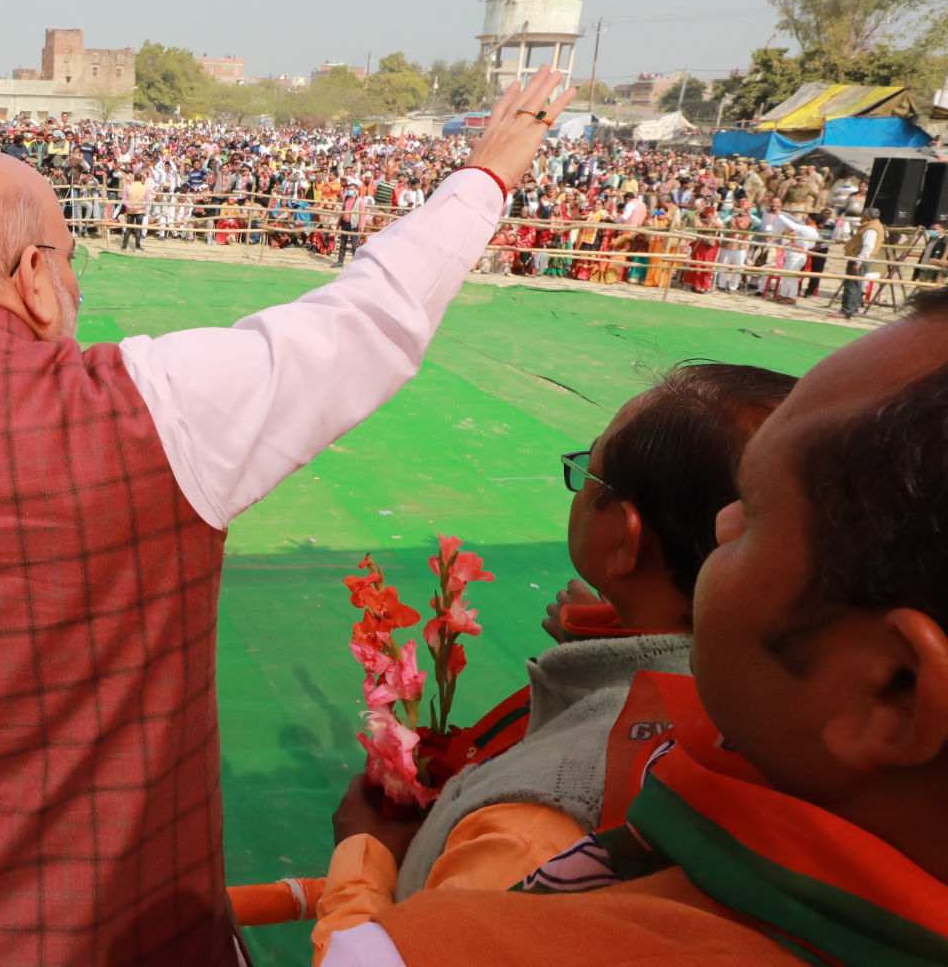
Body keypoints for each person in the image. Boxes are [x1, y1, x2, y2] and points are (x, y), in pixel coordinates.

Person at [0, 68, 574, 964]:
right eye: (70, 260)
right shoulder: (149, 408)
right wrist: (484, 175)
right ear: (33, 275)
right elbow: (367, 321)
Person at [317, 290, 948, 967]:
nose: (721, 527)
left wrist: (365, 859)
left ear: (894, 689)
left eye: (756, 513)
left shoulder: (527, 853)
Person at [310, 363, 795, 957]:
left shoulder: (535, 825)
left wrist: (363, 858)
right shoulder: (771, 705)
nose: (580, 484)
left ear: (622, 537)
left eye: (586, 472)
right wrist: (605, 633)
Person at [841, 205, 885, 319]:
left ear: (866, 216)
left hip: (859, 259)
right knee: (856, 284)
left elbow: (868, 246)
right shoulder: (872, 226)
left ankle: (847, 311)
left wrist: (858, 262)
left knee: (852, 285)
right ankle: (853, 309)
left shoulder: (871, 228)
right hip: (860, 258)